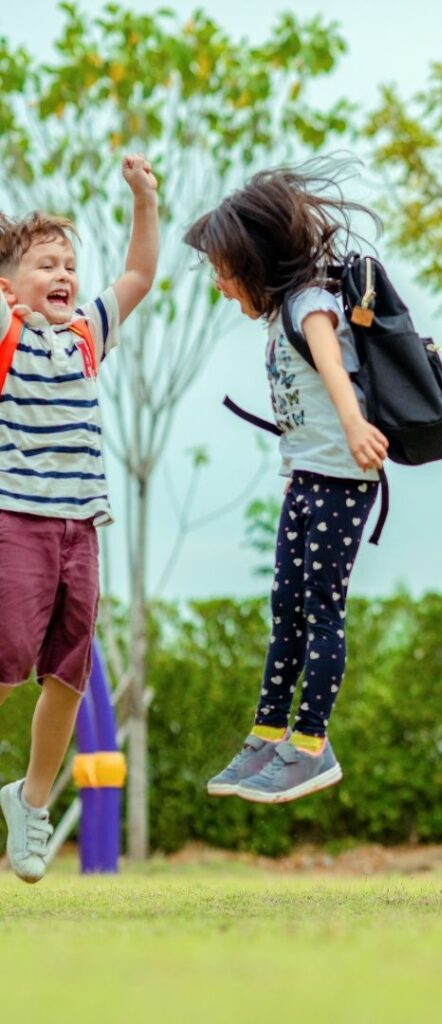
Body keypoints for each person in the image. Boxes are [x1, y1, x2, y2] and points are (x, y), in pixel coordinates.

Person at [185, 162, 388, 804]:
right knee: (287, 612)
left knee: (321, 611)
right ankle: (269, 734)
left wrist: (355, 425)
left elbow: (329, 357)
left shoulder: (308, 302)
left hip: (340, 479)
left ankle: (310, 746)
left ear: (256, 261)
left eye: (223, 271)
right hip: (306, 478)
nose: (219, 286)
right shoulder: (279, 313)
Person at [0, 154, 159, 883]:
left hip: (82, 528)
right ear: (9, 282)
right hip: (17, 521)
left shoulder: (88, 333)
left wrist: (143, 200)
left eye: (70, 263)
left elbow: (138, 277)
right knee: (4, 663)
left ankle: (30, 803)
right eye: (45, 263)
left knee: (67, 674)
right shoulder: (7, 331)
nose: (63, 274)